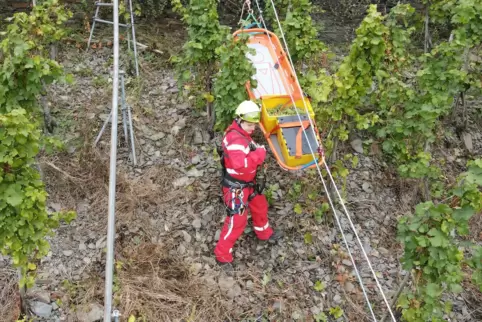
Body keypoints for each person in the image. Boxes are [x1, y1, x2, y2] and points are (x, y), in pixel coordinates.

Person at [214, 100, 282, 271]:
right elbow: (240, 164)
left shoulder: (242, 134)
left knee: (260, 205)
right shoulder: (235, 139)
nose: (253, 128)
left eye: (254, 124)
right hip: (235, 187)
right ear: (240, 120)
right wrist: (259, 154)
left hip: (247, 184)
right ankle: (222, 255)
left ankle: (264, 233)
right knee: (237, 219)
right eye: (250, 125)